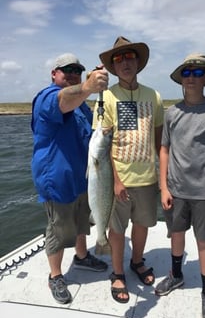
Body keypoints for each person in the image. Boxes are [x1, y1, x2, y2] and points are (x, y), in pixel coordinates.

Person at [155, 53, 205, 318]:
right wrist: (163, 186)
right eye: (187, 73)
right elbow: (164, 149)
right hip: (175, 189)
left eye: (198, 73)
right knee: (176, 234)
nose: (191, 78)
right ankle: (176, 274)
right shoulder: (172, 112)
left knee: (203, 241)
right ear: (181, 78)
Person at [31, 53, 109, 304]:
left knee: (80, 221)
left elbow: (95, 131)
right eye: (67, 70)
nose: (73, 73)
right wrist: (87, 86)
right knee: (59, 228)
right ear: (54, 73)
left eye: (78, 69)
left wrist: (91, 92)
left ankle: (82, 256)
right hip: (57, 179)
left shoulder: (81, 106)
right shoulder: (46, 97)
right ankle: (55, 275)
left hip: (83, 177)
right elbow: (62, 101)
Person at [93, 36, 164, 303]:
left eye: (129, 56)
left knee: (143, 224)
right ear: (113, 66)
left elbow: (159, 141)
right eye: (119, 58)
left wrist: (163, 175)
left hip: (147, 176)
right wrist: (116, 180)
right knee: (117, 229)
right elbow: (101, 146)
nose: (125, 62)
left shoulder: (154, 96)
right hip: (118, 179)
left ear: (138, 61)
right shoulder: (106, 98)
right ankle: (118, 272)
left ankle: (136, 262)